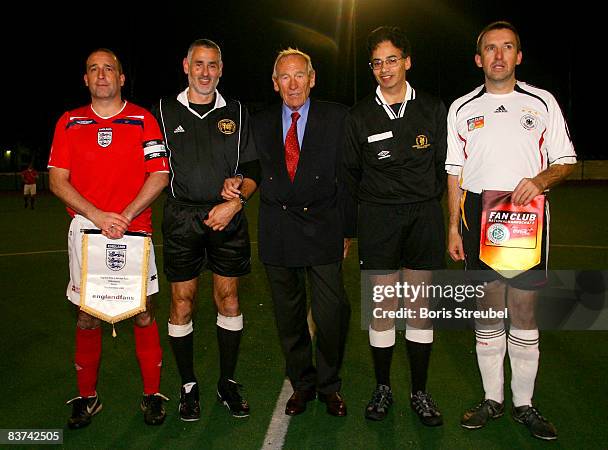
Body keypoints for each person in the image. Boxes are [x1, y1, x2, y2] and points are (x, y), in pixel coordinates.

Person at [446, 21, 576, 441]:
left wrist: (539, 181)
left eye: (507, 48)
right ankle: (492, 399)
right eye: (490, 48)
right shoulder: (462, 108)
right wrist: (452, 224)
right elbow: (454, 172)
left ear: (518, 56)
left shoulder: (542, 102)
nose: (498, 56)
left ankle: (525, 404)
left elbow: (567, 161)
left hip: (525, 221)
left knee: (522, 312)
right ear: (478, 58)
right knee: (486, 312)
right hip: (478, 219)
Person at [224, 48, 354, 417]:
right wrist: (237, 181)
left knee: (331, 315)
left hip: (324, 226)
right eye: (285, 76)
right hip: (278, 228)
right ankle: (303, 384)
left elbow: (347, 178)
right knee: (289, 316)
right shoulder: (259, 120)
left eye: (300, 75)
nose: (293, 84)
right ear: (275, 83)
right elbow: (248, 164)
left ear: (312, 79)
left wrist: (347, 230)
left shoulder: (337, 117)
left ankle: (330, 385)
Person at [48, 48, 170, 428]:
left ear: (121, 78)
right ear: (85, 79)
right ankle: (87, 397)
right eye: (93, 69)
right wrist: (98, 215)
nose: (101, 75)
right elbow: (57, 180)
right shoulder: (68, 122)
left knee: (143, 312)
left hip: (134, 231)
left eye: (109, 69)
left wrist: (125, 216)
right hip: (86, 231)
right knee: (87, 316)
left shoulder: (143, 120)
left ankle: (152, 395)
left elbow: (160, 175)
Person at [344, 26, 447, 426]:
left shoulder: (433, 108)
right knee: (383, 307)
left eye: (391, 60)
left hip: (423, 217)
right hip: (378, 219)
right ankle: (383, 386)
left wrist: (418, 197)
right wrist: (355, 225)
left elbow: (443, 170)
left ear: (407, 61)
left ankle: (420, 392)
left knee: (420, 307)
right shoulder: (359, 115)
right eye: (376, 62)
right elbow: (350, 175)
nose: (384, 69)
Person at [151, 39, 259, 421]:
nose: (205, 71)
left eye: (212, 64)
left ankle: (227, 382)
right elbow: (148, 168)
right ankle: (188, 387)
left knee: (228, 298)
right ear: (185, 65)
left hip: (227, 216)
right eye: (199, 64)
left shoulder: (238, 112)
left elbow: (252, 170)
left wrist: (236, 199)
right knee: (182, 303)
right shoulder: (163, 111)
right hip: (182, 218)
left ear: (221, 68)